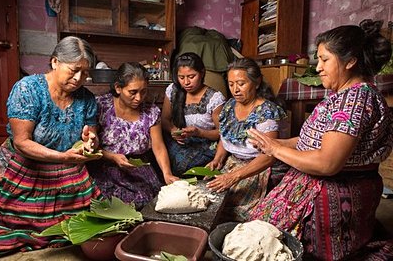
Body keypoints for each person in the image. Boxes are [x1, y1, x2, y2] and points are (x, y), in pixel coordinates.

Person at [249, 19, 393, 260]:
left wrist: (274, 148)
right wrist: (272, 143)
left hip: (333, 188)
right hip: (329, 181)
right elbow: (313, 140)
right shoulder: (346, 95)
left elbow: (327, 163)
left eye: (325, 59)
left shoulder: (354, 99)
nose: (318, 68)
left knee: (266, 242)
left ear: (350, 61)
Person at [0, 36, 102, 255]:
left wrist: (91, 141)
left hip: (67, 171)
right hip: (26, 168)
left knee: (74, 234)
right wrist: (64, 158)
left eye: (85, 72)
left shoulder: (87, 99)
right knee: (20, 234)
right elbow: (22, 142)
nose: (79, 78)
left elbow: (92, 135)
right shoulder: (28, 90)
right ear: (54, 62)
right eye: (74, 70)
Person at [206, 58, 287, 222]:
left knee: (236, 213)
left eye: (241, 83)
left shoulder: (266, 112)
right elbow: (225, 135)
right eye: (231, 84)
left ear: (256, 83)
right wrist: (217, 160)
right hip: (233, 164)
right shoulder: (229, 106)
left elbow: (269, 156)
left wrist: (234, 176)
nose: (235, 89)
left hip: (257, 168)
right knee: (211, 202)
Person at [87, 62, 175, 209]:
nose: (139, 98)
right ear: (118, 88)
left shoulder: (151, 112)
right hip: (104, 166)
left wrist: (167, 173)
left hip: (138, 168)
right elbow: (89, 146)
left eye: (144, 92)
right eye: (133, 92)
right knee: (112, 204)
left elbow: (158, 147)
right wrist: (112, 157)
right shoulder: (100, 106)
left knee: (149, 202)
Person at [161, 52, 226, 178]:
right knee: (159, 157)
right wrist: (174, 131)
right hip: (178, 140)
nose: (186, 82)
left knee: (185, 166)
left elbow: (222, 133)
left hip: (204, 144)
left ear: (202, 73)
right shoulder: (173, 91)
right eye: (181, 77)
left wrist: (199, 132)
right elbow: (164, 120)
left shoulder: (214, 98)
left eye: (191, 76)